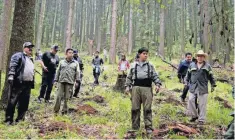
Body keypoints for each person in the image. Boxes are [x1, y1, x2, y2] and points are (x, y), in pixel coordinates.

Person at [125, 47, 162, 138]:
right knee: (135, 108)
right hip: (136, 88)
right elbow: (129, 77)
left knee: (147, 109)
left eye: (146, 54)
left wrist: (157, 84)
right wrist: (127, 86)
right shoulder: (133, 65)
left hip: (147, 88)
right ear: (139, 54)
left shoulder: (150, 65)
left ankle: (148, 127)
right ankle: (135, 127)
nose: (145, 55)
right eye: (144, 53)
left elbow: (155, 76)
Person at [4, 42, 35, 125]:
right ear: (24, 47)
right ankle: (8, 119)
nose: (30, 49)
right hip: (18, 82)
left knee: (24, 103)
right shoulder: (18, 55)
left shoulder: (30, 58)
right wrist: (11, 75)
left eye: (31, 48)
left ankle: (20, 119)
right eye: (29, 47)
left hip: (28, 84)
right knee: (12, 101)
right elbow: (13, 65)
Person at [185, 50, 216, 125]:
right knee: (190, 100)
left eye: (201, 56)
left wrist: (213, 84)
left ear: (204, 57)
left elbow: (211, 76)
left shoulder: (207, 66)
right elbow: (188, 75)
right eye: (198, 56)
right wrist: (186, 81)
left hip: (203, 87)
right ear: (196, 57)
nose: (200, 57)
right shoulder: (192, 65)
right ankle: (194, 116)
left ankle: (201, 119)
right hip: (193, 86)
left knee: (202, 104)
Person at [54, 48, 80, 114]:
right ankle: (56, 111)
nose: (71, 54)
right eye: (69, 53)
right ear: (66, 54)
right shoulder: (61, 62)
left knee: (67, 98)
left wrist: (77, 81)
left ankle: (64, 111)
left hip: (70, 82)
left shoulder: (76, 63)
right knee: (58, 97)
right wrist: (55, 80)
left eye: (72, 53)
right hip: (61, 82)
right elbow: (58, 71)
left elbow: (77, 72)